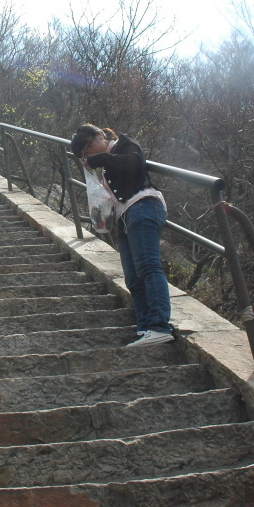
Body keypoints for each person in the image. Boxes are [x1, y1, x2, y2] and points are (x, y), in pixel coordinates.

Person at [70, 124, 175, 347]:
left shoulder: (125, 144)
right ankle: (146, 327)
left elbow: (135, 163)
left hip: (144, 205)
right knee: (133, 277)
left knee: (148, 266)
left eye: (88, 149)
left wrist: (100, 160)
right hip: (124, 217)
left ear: (100, 135)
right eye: (85, 155)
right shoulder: (107, 165)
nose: (89, 156)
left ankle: (159, 326)